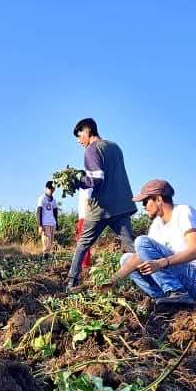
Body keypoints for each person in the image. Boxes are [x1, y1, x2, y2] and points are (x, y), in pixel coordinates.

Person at [104, 180, 196, 306]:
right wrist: (112, 281)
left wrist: (161, 263)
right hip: (180, 277)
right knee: (126, 259)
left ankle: (177, 293)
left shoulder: (183, 212)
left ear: (158, 199)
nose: (144, 206)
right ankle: (163, 298)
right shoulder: (157, 225)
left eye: (146, 201)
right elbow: (139, 256)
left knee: (141, 241)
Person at [67, 118, 136, 289]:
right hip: (121, 205)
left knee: (83, 243)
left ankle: (71, 282)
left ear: (87, 130)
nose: (78, 140)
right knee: (131, 246)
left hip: (102, 207)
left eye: (79, 135)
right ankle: (155, 277)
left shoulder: (92, 149)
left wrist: (78, 180)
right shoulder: (115, 147)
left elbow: (96, 179)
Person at [37, 181, 58, 258]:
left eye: (52, 189)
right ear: (46, 189)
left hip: (52, 223)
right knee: (46, 240)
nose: (51, 190)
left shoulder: (54, 201)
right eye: (50, 189)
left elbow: (55, 212)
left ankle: (48, 255)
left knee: (51, 241)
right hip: (45, 223)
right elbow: (39, 211)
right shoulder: (42, 198)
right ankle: (45, 255)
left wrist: (57, 223)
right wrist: (40, 225)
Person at [75, 184, 93, 271]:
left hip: (85, 218)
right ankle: (84, 263)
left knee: (83, 241)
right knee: (83, 241)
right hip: (84, 218)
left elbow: (87, 202)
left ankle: (84, 264)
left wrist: (87, 217)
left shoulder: (87, 189)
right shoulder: (84, 189)